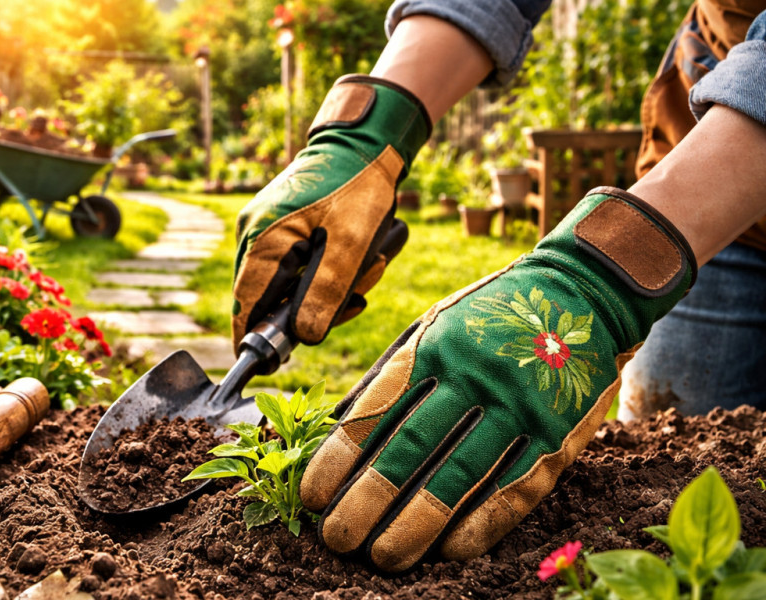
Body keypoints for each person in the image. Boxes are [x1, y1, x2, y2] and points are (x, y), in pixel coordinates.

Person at [231, 0, 766, 572]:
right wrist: (365, 132)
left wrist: (601, 280)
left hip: (722, 163)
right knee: (695, 509)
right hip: (720, 153)